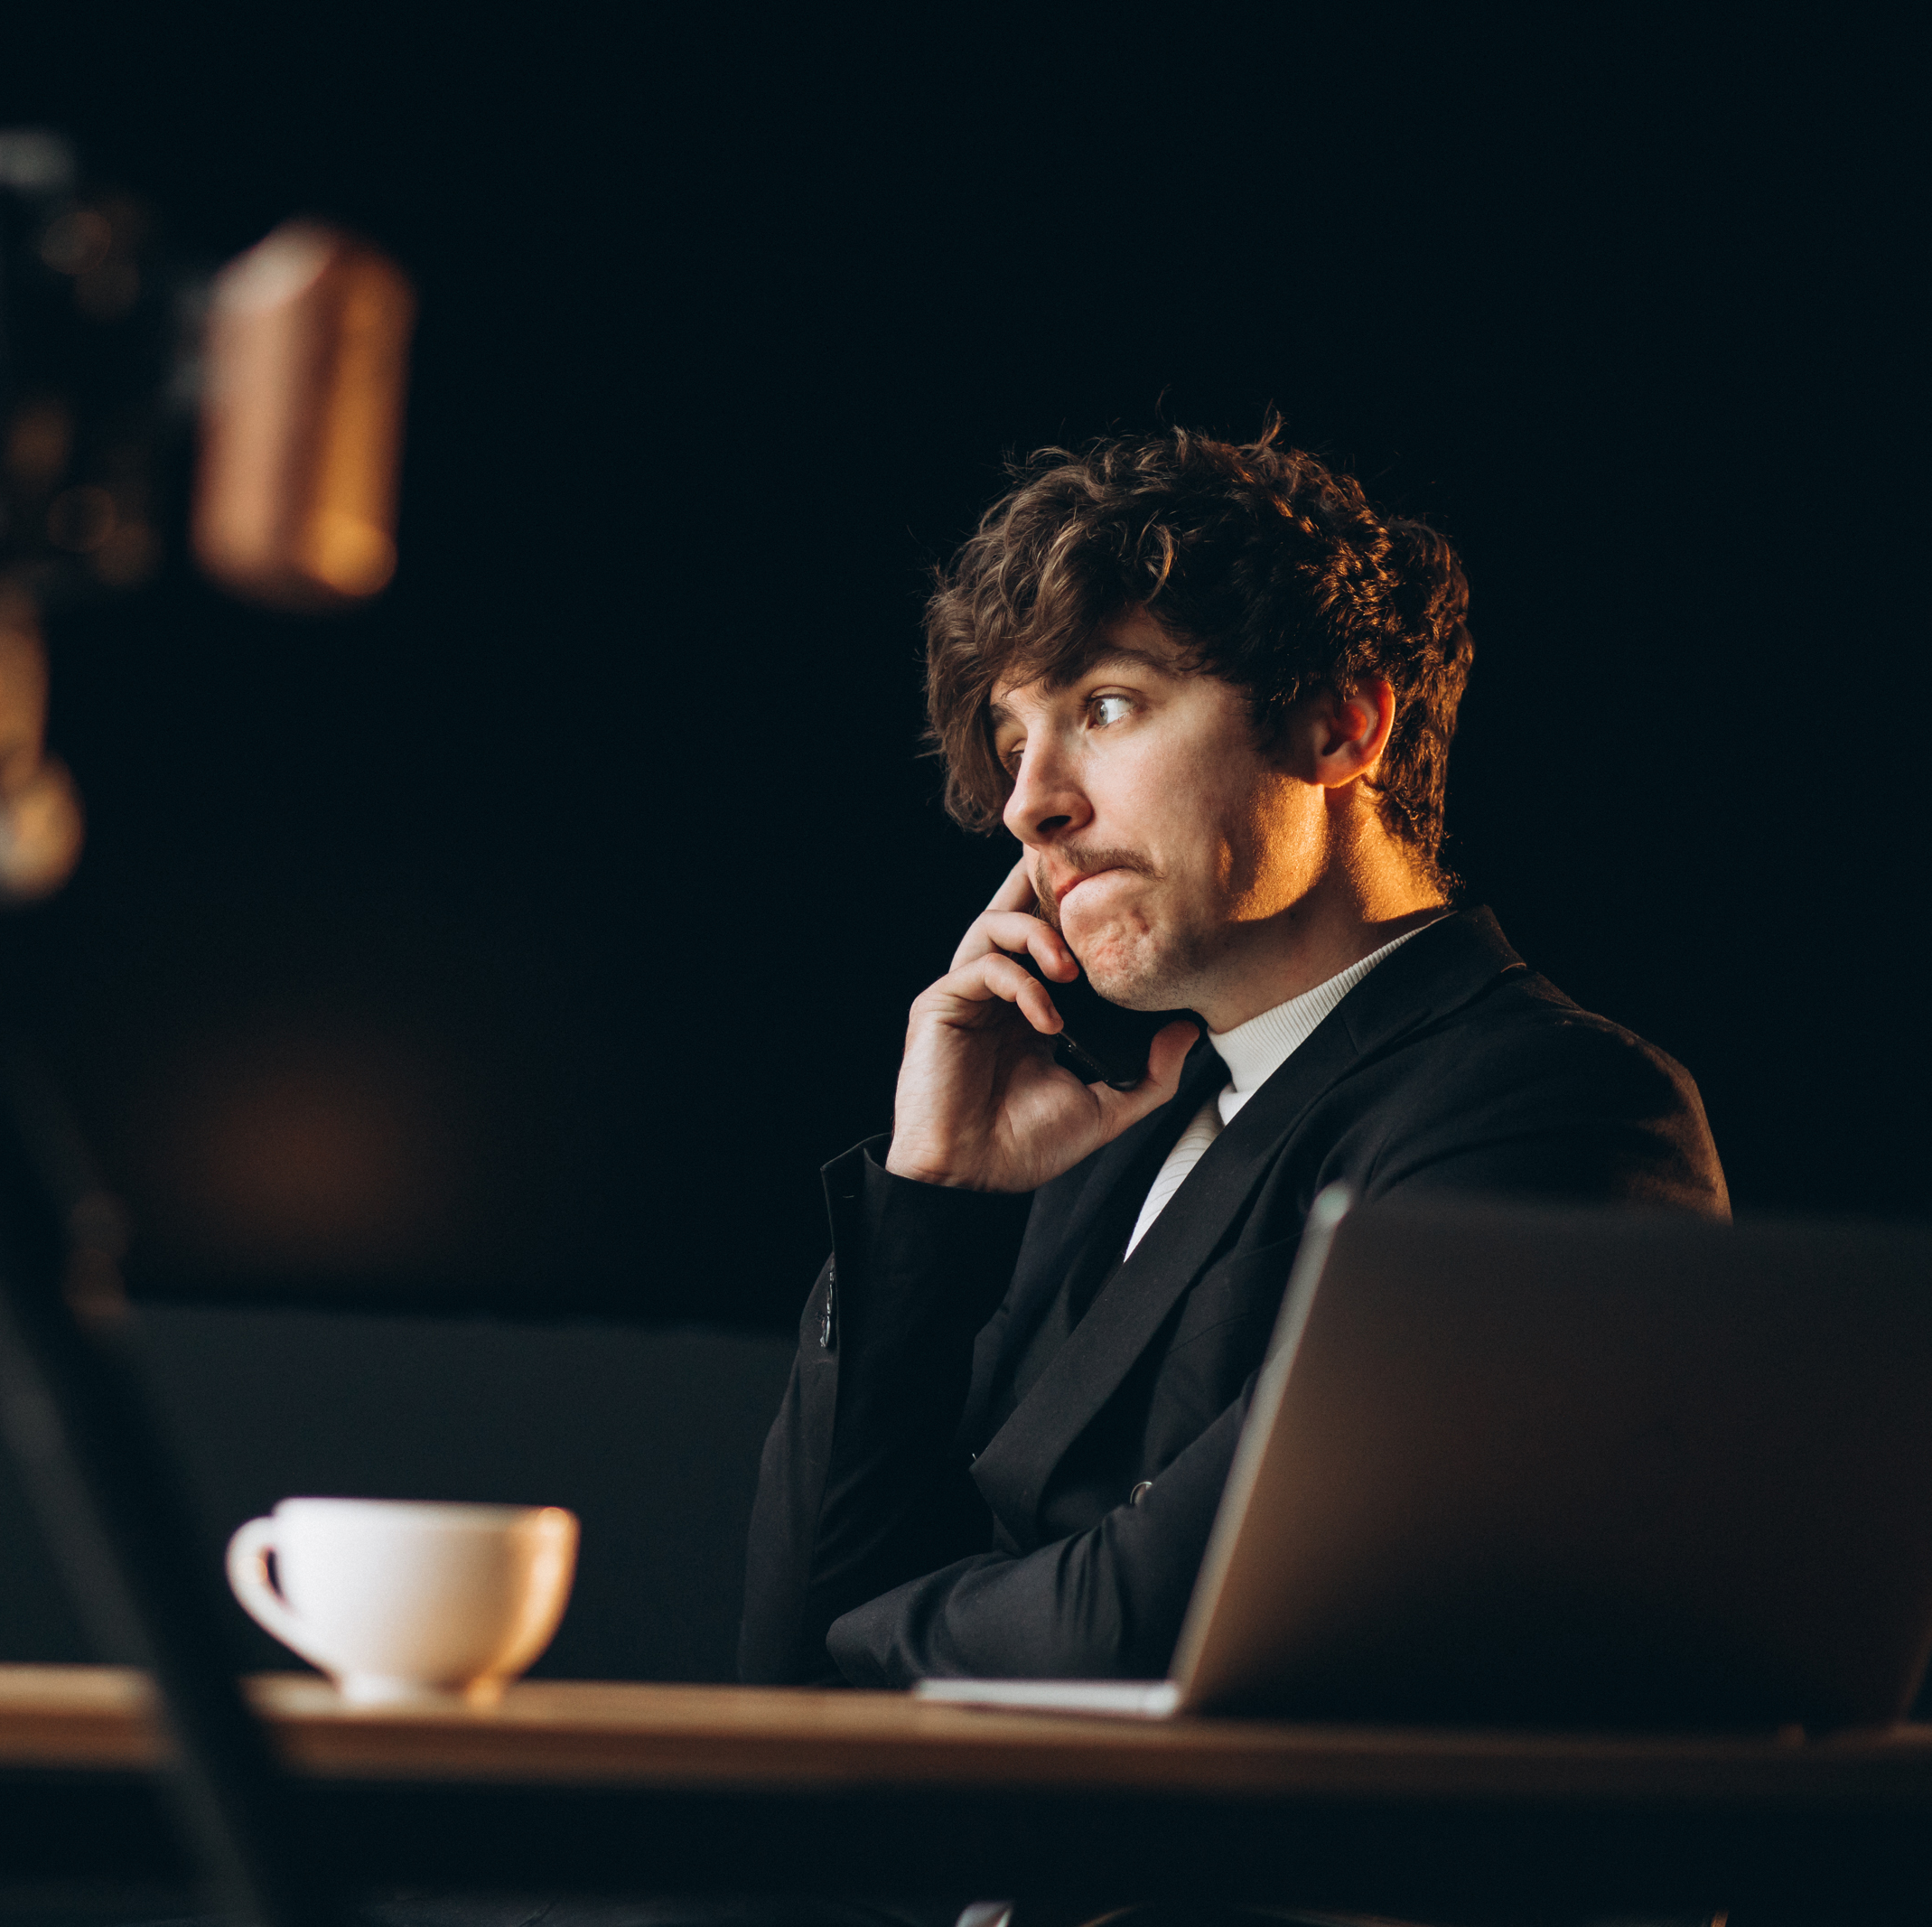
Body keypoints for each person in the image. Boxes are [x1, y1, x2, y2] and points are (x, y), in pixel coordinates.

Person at [739, 424, 1729, 1690]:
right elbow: (776, 1663)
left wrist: (865, 1634)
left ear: (1339, 724)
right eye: (1010, 738)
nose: (1030, 801)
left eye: (1105, 706)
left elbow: (1158, 1624)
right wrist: (930, 1197)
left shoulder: (1560, 1112)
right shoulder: (1102, 1124)